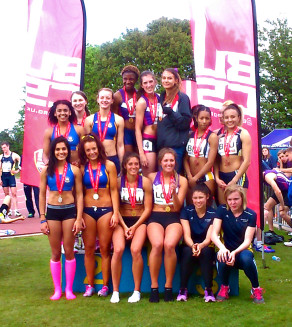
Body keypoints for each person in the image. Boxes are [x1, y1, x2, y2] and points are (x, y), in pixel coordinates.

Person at [39, 136, 84, 300]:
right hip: (52, 212)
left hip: (69, 212)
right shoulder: (46, 170)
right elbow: (42, 194)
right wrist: (42, 218)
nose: (61, 152)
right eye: (57, 149)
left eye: (63, 149)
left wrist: (79, 218)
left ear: (68, 150)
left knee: (70, 251)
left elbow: (79, 195)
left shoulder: (74, 170)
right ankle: (57, 289)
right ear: (53, 151)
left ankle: (69, 289)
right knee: (56, 252)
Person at [78, 134, 119, 298]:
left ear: (99, 148)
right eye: (88, 150)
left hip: (105, 210)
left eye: (94, 148)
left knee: (104, 249)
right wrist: (79, 215)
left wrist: (116, 212)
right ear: (84, 151)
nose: (92, 152)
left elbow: (114, 190)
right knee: (88, 249)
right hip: (88, 211)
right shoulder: (81, 168)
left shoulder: (109, 165)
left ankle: (105, 286)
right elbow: (79, 193)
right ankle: (90, 286)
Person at [211, 185, 264, 304]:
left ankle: (256, 289)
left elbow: (247, 240)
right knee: (222, 256)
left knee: (246, 259)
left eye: (236, 199)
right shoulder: (221, 210)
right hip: (226, 248)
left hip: (242, 250)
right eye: (229, 200)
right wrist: (222, 248)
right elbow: (214, 234)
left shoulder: (250, 214)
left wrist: (234, 253)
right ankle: (224, 287)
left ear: (242, 199)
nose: (232, 202)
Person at [147, 148, 188, 302]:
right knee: (157, 244)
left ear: (175, 162)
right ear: (160, 162)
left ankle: (169, 287)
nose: (169, 163)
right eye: (166, 160)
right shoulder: (151, 177)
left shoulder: (181, 180)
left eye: (171, 160)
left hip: (173, 215)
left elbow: (178, 207)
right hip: (156, 216)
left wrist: (174, 194)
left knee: (169, 245)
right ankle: (154, 287)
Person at [111, 152, 152, 303]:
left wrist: (134, 227)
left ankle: (137, 291)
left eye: (136, 164)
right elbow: (115, 207)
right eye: (130, 164)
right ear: (125, 166)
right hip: (121, 220)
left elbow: (148, 208)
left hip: (139, 221)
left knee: (136, 250)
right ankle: (115, 291)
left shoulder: (145, 182)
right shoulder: (117, 181)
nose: (134, 167)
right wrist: (123, 225)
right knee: (118, 249)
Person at [177, 184, 216, 302]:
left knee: (206, 252)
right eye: (195, 198)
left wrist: (201, 246)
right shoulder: (186, 211)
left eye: (201, 197)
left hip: (205, 245)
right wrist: (193, 245)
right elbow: (186, 235)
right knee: (187, 252)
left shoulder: (213, 213)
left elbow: (209, 238)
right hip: (189, 244)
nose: (198, 201)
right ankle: (183, 290)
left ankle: (208, 291)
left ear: (207, 197)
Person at [214, 103, 251, 204]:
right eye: (227, 117)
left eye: (233, 117)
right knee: (223, 209)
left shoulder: (243, 133)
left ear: (239, 117)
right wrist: (217, 178)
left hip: (236, 175)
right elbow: (216, 160)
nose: (229, 120)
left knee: (238, 209)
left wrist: (235, 179)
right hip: (221, 176)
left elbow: (247, 161)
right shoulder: (217, 134)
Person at [156, 68, 192, 173]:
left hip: (175, 147)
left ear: (176, 80)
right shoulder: (161, 97)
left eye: (169, 78)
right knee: (163, 180)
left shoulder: (182, 98)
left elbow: (185, 123)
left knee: (174, 179)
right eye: (164, 78)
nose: (166, 80)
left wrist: (172, 112)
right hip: (162, 146)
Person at [84, 88, 124, 175]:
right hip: (94, 158)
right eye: (102, 98)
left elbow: (120, 145)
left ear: (112, 101)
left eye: (108, 98)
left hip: (112, 158)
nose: (104, 100)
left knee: (113, 187)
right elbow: (86, 144)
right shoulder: (89, 120)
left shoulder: (119, 120)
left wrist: (122, 164)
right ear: (98, 99)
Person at [184, 105, 218, 203]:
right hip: (191, 177)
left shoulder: (212, 137)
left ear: (210, 120)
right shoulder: (190, 135)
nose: (204, 121)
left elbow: (210, 162)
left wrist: (196, 177)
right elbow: (185, 159)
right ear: (196, 119)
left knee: (206, 208)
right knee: (192, 207)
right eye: (201, 118)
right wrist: (190, 176)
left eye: (207, 118)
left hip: (205, 177)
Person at [135, 71, 162, 176]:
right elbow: (137, 128)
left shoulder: (160, 97)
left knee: (162, 174)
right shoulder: (142, 102)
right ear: (142, 85)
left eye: (151, 81)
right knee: (148, 175)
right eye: (145, 83)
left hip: (161, 139)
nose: (149, 85)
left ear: (155, 82)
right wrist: (141, 153)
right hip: (148, 139)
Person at [43, 100, 85, 166]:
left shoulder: (79, 129)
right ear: (55, 113)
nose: (62, 113)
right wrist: (47, 162)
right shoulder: (49, 132)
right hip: (56, 170)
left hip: (75, 169)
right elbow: (45, 154)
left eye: (65, 110)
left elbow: (84, 150)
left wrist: (79, 161)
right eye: (59, 111)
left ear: (70, 112)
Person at [113, 65, 140, 153]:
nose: (128, 82)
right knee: (129, 157)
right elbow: (114, 118)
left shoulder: (140, 95)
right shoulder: (117, 96)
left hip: (138, 131)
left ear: (136, 80)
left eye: (131, 79)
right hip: (125, 132)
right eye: (125, 79)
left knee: (139, 158)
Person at [0, 142, 21, 217]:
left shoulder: (14, 155)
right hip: (4, 176)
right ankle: (8, 210)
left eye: (5, 147)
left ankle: (16, 210)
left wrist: (17, 170)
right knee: (7, 195)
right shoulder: (1, 157)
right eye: (2, 148)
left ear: (8, 147)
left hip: (11, 176)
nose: (3, 149)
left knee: (14, 193)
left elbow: (21, 161)